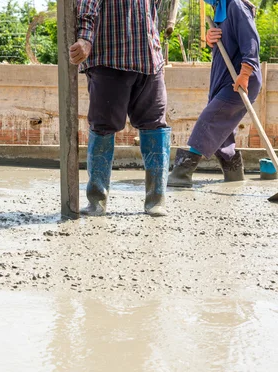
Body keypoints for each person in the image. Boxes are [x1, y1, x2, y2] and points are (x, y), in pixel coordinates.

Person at [70, 0, 171, 217]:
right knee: (103, 126)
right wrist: (86, 38)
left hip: (149, 59)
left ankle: (156, 199)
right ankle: (97, 200)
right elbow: (87, 6)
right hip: (111, 57)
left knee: (156, 125)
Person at [168, 0, 261, 187]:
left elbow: (251, 40)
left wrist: (244, 74)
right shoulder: (220, 8)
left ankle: (181, 174)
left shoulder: (235, 5)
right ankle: (234, 176)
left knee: (210, 120)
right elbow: (228, 44)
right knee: (223, 131)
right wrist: (211, 39)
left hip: (239, 79)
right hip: (223, 77)